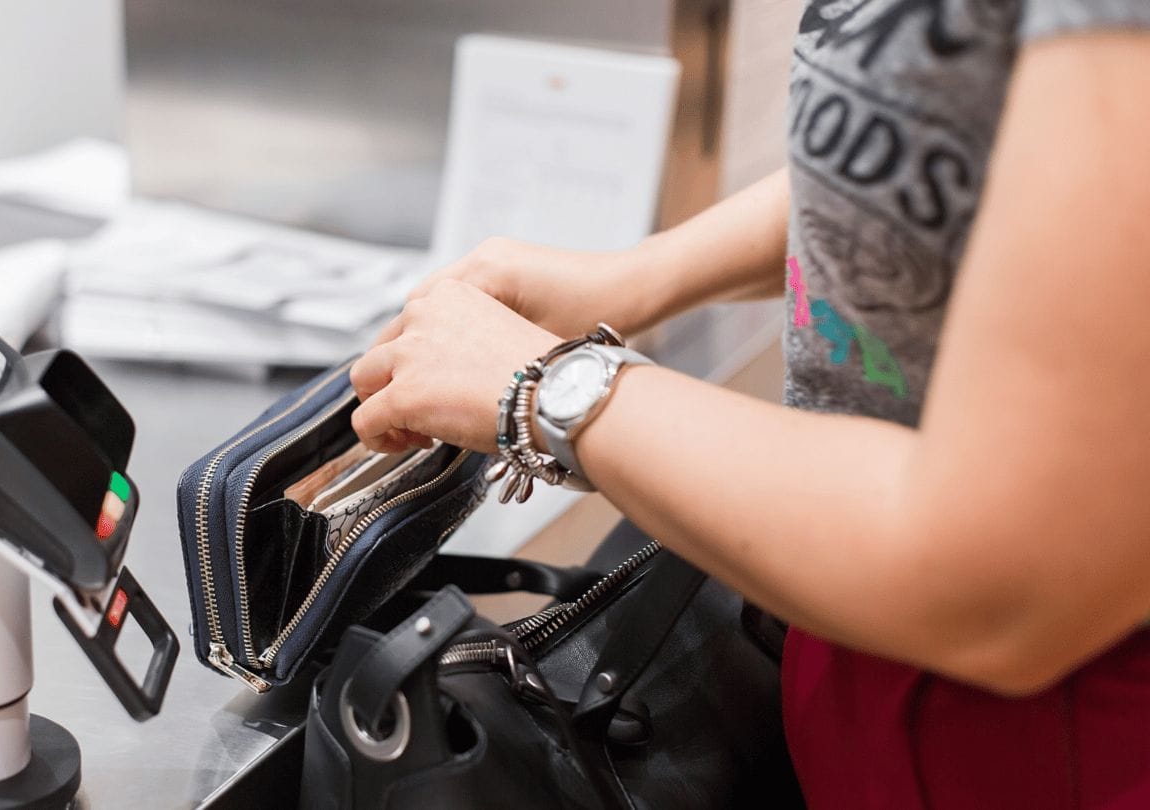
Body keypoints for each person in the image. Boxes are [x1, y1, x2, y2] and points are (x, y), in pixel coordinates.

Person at [347, 2, 1150, 806]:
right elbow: (941, 134)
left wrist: (552, 388)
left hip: (1054, 735)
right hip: (868, 649)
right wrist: (636, 278)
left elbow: (999, 580)